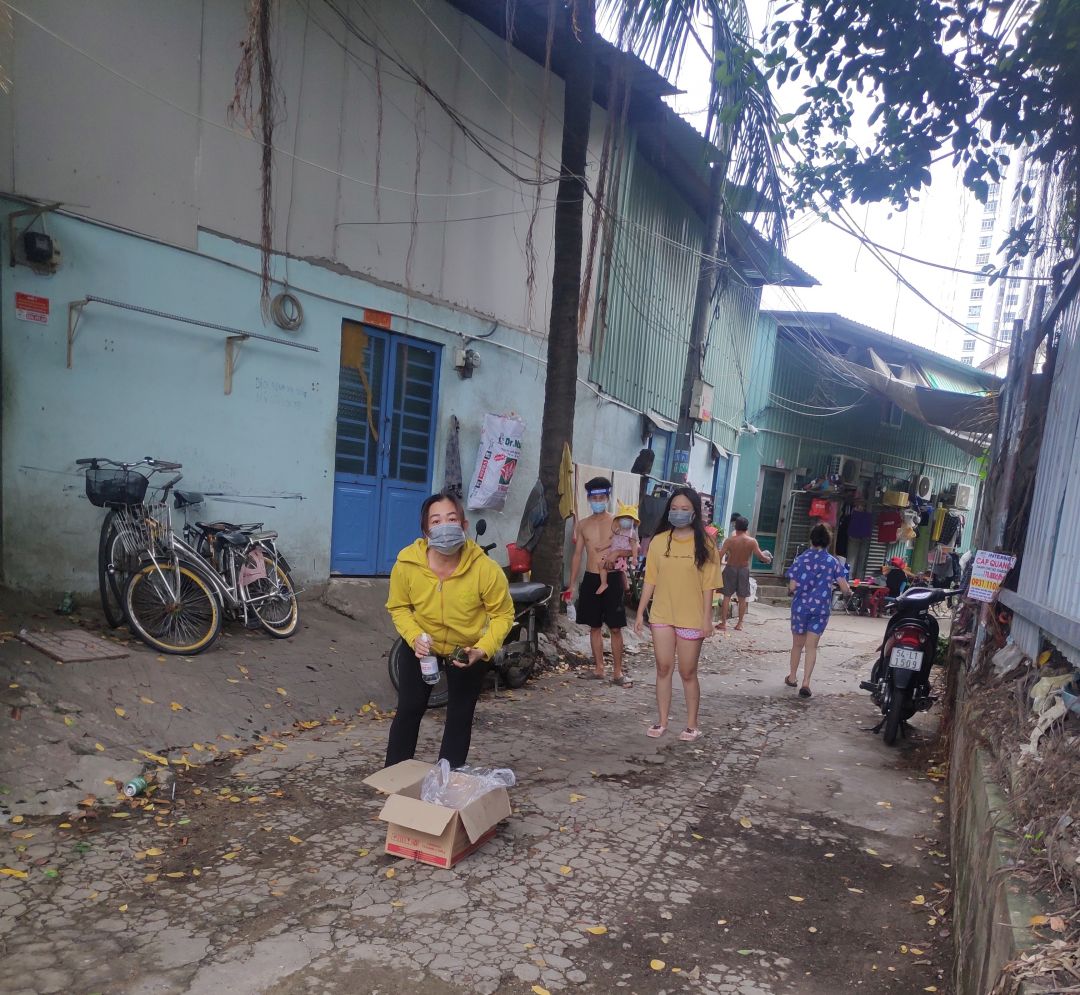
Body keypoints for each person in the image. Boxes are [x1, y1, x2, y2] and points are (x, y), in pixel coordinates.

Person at [384, 492, 515, 768]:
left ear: (464, 526)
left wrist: (482, 649)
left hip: (466, 649)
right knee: (409, 709)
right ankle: (394, 777)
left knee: (459, 715)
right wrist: (414, 636)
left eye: (451, 519)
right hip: (422, 646)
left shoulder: (485, 570)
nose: (444, 526)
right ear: (425, 531)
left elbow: (503, 614)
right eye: (436, 521)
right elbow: (398, 607)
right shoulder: (407, 564)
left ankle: (447, 780)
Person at [634, 488, 720, 741]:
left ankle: (692, 725)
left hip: (692, 618)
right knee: (663, 668)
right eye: (674, 508)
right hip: (662, 615)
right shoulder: (659, 542)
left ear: (694, 512)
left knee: (687, 671)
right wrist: (639, 613)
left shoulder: (706, 544)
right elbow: (650, 580)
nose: (678, 513)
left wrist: (707, 619)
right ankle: (661, 721)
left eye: (684, 509)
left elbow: (709, 585)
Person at [568, 477, 633, 686]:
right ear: (589, 499)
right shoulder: (582, 524)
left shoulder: (618, 521)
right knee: (594, 626)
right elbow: (577, 554)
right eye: (594, 498)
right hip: (591, 577)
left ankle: (618, 672)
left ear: (607, 498)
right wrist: (572, 583)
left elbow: (632, 548)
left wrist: (616, 554)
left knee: (615, 627)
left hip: (612, 578)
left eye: (602, 498)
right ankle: (598, 669)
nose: (598, 501)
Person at [785, 523, 851, 698]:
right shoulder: (832, 562)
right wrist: (848, 593)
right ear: (828, 541)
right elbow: (844, 588)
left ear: (811, 539)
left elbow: (792, 586)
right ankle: (806, 682)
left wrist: (795, 590)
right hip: (820, 609)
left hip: (800, 608)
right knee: (811, 647)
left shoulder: (800, 559)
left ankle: (792, 677)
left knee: (797, 644)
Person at [717, 516, 773, 631]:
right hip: (743, 569)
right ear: (746, 527)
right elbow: (760, 556)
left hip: (730, 568)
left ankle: (723, 623)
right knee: (742, 598)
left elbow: (720, 555)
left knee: (726, 596)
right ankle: (740, 624)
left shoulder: (729, 540)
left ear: (735, 526)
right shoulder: (752, 541)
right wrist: (767, 559)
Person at [596, 501, 640, 595]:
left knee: (610, 568)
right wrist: (602, 547)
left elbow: (634, 546)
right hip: (612, 552)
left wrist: (635, 558)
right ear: (619, 519)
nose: (625, 520)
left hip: (620, 557)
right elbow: (612, 542)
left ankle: (606, 584)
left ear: (633, 521)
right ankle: (605, 584)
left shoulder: (631, 533)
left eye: (628, 518)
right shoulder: (617, 530)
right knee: (602, 564)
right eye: (623, 518)